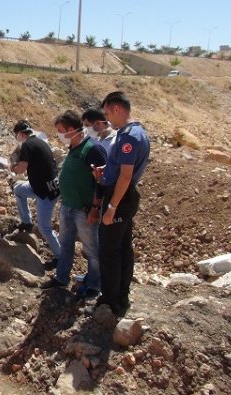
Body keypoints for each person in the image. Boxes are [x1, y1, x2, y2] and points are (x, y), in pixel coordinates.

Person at [40, 111, 106, 300]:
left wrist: (95, 207)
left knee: (91, 249)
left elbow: (102, 181)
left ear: (71, 129)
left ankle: (94, 285)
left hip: (84, 210)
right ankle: (61, 278)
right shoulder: (73, 148)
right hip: (68, 206)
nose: (59, 134)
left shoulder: (91, 149)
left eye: (60, 131)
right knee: (66, 244)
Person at [94, 91, 150, 316]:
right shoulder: (136, 132)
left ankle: (110, 300)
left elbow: (126, 175)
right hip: (124, 194)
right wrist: (105, 172)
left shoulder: (129, 137)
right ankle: (121, 296)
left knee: (110, 251)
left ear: (117, 109)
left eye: (107, 113)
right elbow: (121, 168)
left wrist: (111, 207)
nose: (107, 119)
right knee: (123, 248)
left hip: (120, 196)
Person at [9, 120, 61, 265]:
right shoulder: (40, 141)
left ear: (20, 134)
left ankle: (60, 257)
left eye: (16, 135)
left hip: (46, 192)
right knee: (19, 190)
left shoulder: (26, 145)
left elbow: (21, 169)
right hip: (50, 186)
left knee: (44, 227)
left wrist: (13, 167)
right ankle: (26, 222)